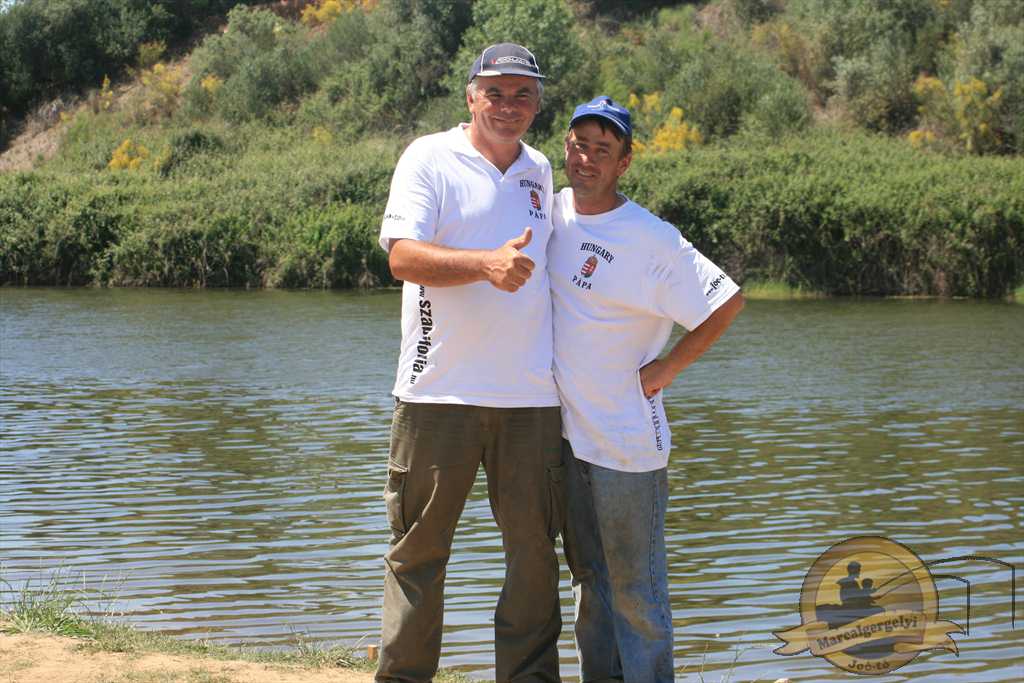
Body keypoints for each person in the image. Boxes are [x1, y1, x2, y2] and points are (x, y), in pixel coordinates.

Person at [375, 43, 564, 683]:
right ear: (471, 96)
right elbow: (401, 257)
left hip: (531, 402)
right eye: (496, 92)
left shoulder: (540, 169)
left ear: (537, 103)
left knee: (534, 559)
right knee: (418, 554)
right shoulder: (428, 157)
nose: (509, 105)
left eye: (523, 94)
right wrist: (486, 264)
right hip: (437, 396)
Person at [548, 96, 745, 683]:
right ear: (566, 147)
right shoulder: (551, 212)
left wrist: (666, 370)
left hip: (628, 447)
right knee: (589, 584)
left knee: (637, 592)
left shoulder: (652, 238)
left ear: (624, 162)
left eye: (602, 150)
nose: (587, 158)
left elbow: (726, 302)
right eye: (579, 145)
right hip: (567, 440)